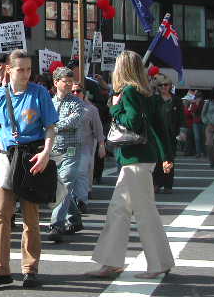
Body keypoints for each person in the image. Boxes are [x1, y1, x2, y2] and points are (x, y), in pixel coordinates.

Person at [87, 50, 174, 280]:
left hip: (134, 159)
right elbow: (159, 128)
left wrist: (115, 108)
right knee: (122, 210)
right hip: (141, 159)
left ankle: (155, 264)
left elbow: (132, 121)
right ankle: (114, 262)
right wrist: (166, 156)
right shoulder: (147, 92)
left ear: (121, 69)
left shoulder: (128, 92)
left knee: (140, 212)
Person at [0, 49, 58, 290]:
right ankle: (0, 270)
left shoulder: (40, 93)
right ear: (9, 69)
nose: (25, 74)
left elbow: (50, 127)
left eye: (29, 69)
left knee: (30, 218)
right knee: (0, 215)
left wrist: (45, 153)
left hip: (31, 158)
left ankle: (30, 269)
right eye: (21, 69)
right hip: (3, 158)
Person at [48, 67, 84, 242]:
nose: (69, 84)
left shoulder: (76, 102)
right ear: (56, 83)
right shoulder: (48, 102)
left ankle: (56, 224)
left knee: (65, 182)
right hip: (54, 149)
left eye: (71, 81)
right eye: (65, 81)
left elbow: (74, 120)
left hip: (72, 149)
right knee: (60, 186)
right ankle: (75, 218)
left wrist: (54, 127)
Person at [71, 82, 105, 211]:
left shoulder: (91, 109)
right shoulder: (64, 106)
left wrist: (101, 145)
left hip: (85, 147)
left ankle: (82, 200)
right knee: (68, 174)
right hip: (68, 147)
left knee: (81, 172)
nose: (75, 93)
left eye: (78, 91)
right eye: (73, 91)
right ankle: (71, 200)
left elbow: (98, 129)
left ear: (83, 93)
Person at [151, 73, 186, 194]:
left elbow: (182, 117)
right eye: (160, 85)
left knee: (169, 160)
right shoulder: (154, 99)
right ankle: (156, 184)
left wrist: (182, 131)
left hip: (171, 134)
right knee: (157, 160)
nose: (163, 87)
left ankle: (168, 185)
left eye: (166, 85)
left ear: (170, 86)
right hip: (157, 135)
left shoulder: (176, 100)